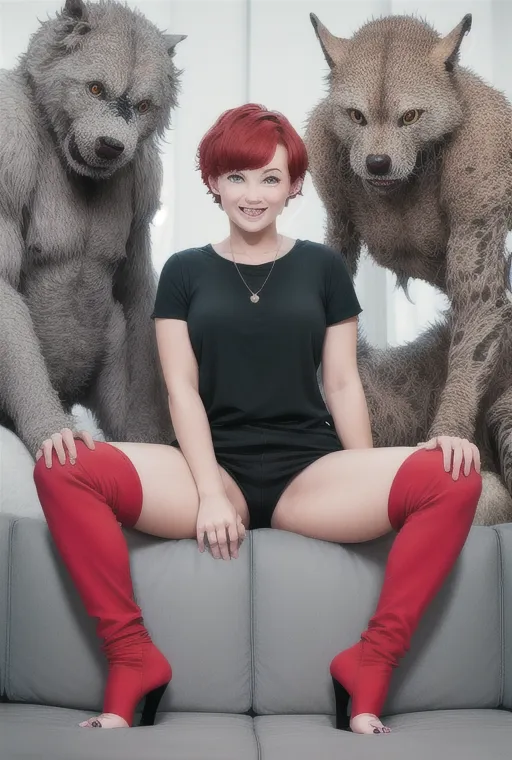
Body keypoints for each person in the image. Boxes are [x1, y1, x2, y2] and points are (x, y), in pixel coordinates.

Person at [33, 103, 482, 734]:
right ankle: (132, 657)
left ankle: (370, 663)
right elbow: (181, 389)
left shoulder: (323, 268)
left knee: (454, 472)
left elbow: (343, 380)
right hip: (209, 466)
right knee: (64, 465)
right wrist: (211, 492)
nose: (253, 194)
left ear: (294, 186)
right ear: (213, 181)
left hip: (310, 471)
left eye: (270, 178)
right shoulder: (184, 272)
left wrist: (368, 477)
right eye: (238, 176)